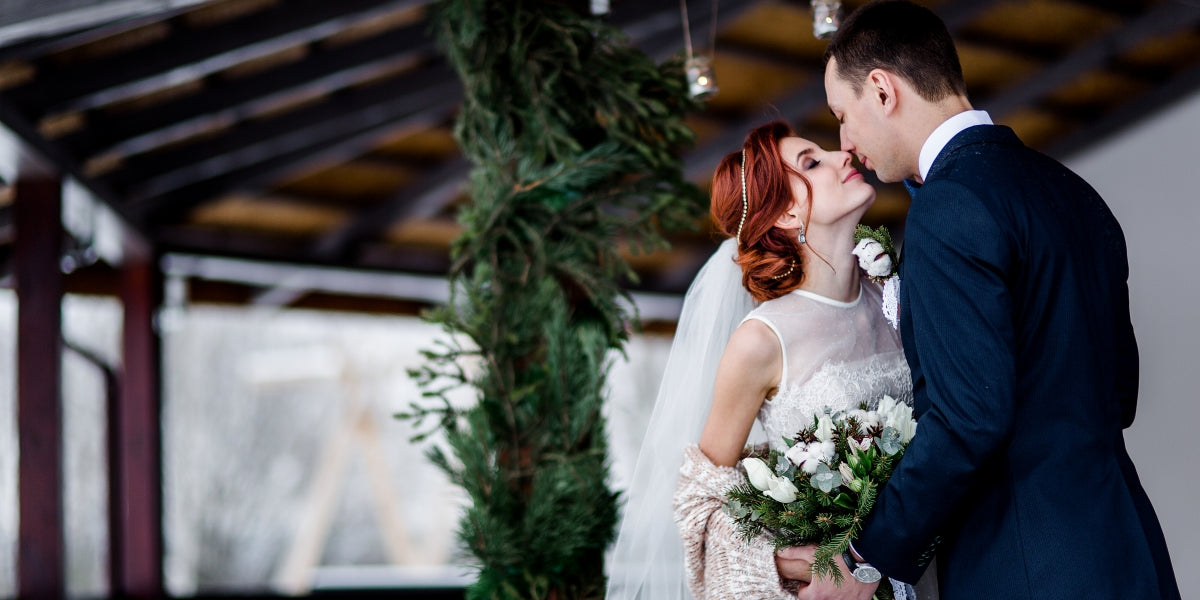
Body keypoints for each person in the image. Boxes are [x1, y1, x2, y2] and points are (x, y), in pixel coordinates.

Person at [791, 1, 1182, 599]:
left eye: (843, 116)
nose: (846, 142)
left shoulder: (948, 208)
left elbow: (968, 419)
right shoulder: (1076, 194)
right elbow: (1120, 392)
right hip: (1128, 551)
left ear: (882, 89)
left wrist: (864, 560)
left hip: (1026, 567)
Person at [606, 120, 934, 599]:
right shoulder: (762, 340)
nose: (842, 155)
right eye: (811, 162)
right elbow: (700, 500)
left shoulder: (896, 293)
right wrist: (782, 560)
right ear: (784, 213)